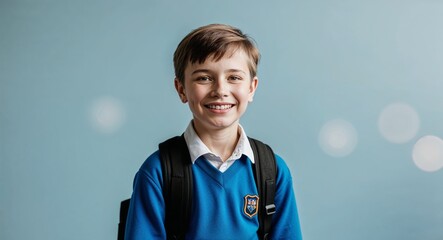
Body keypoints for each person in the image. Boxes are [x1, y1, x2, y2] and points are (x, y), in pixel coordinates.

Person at [125, 23, 302, 240]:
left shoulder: (272, 170)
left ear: (251, 88)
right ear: (181, 89)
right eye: (203, 78)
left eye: (234, 77)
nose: (220, 90)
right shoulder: (158, 171)